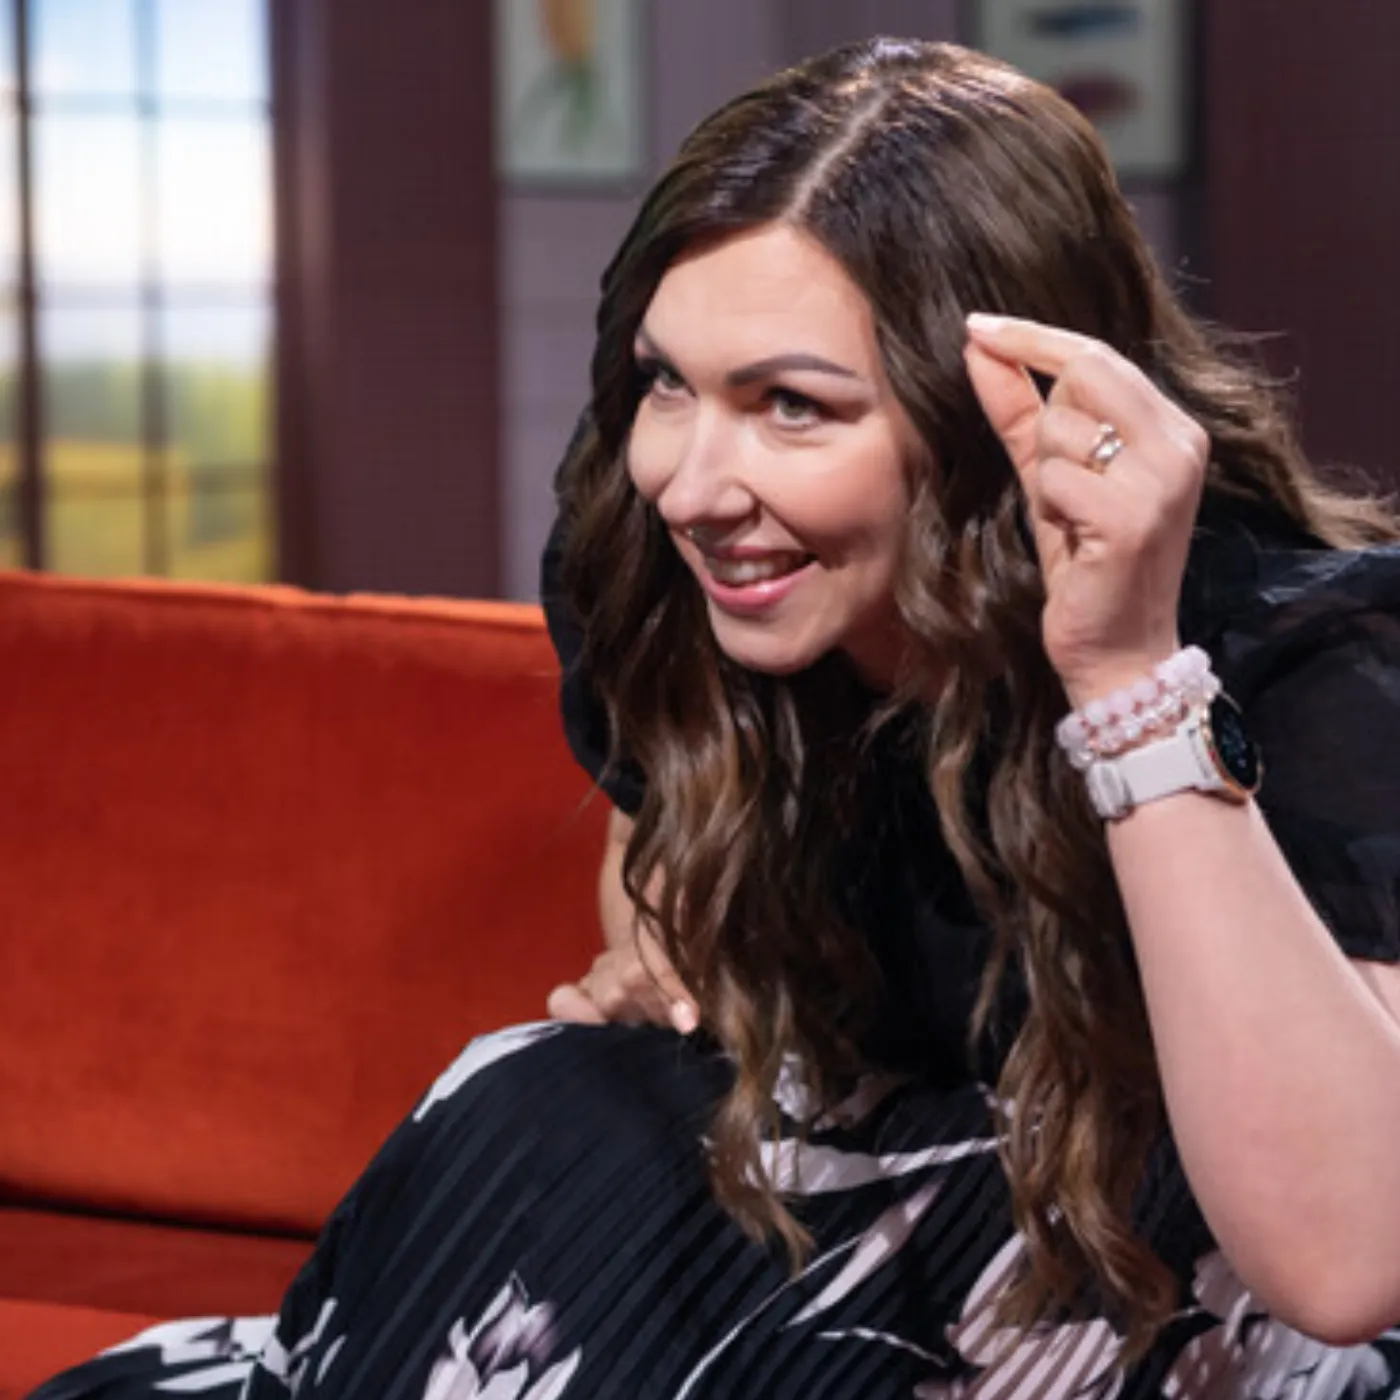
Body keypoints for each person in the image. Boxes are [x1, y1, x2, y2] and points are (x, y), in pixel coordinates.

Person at [29, 36, 1400, 1400]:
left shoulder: (1307, 663)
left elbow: (1346, 1266)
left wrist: (1126, 677)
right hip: (839, 1220)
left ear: (1001, 423)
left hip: (1169, 1290)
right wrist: (664, 964)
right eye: (668, 382)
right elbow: (663, 881)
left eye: (792, 406)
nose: (691, 485)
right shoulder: (689, 578)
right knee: (547, 1094)